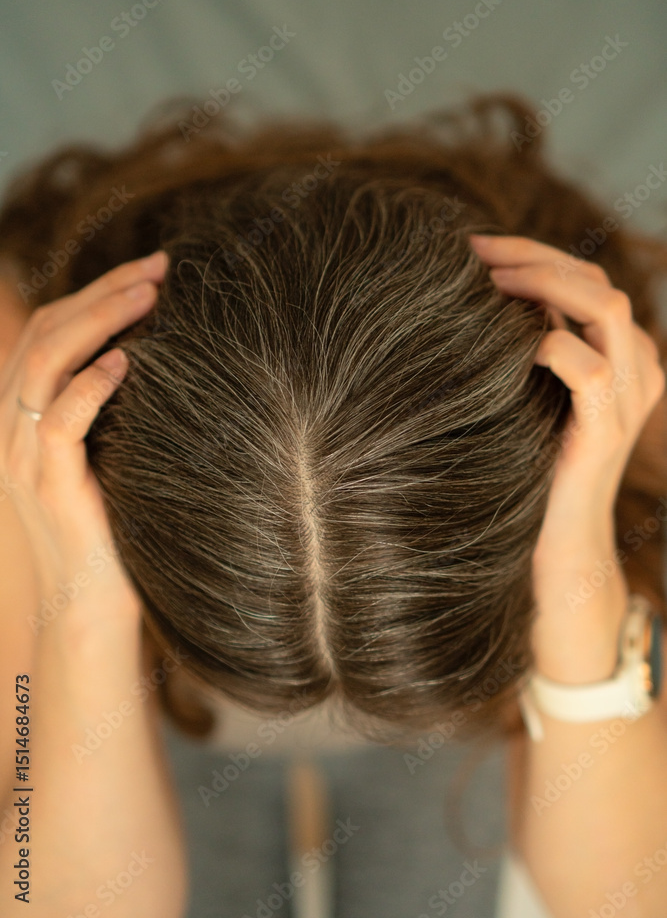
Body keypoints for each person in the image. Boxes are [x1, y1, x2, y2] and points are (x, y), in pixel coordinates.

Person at [0, 92, 665, 917]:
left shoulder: (602, 395)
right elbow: (32, 879)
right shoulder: (25, 398)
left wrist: (580, 574)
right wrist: (80, 610)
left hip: (465, 706)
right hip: (130, 701)